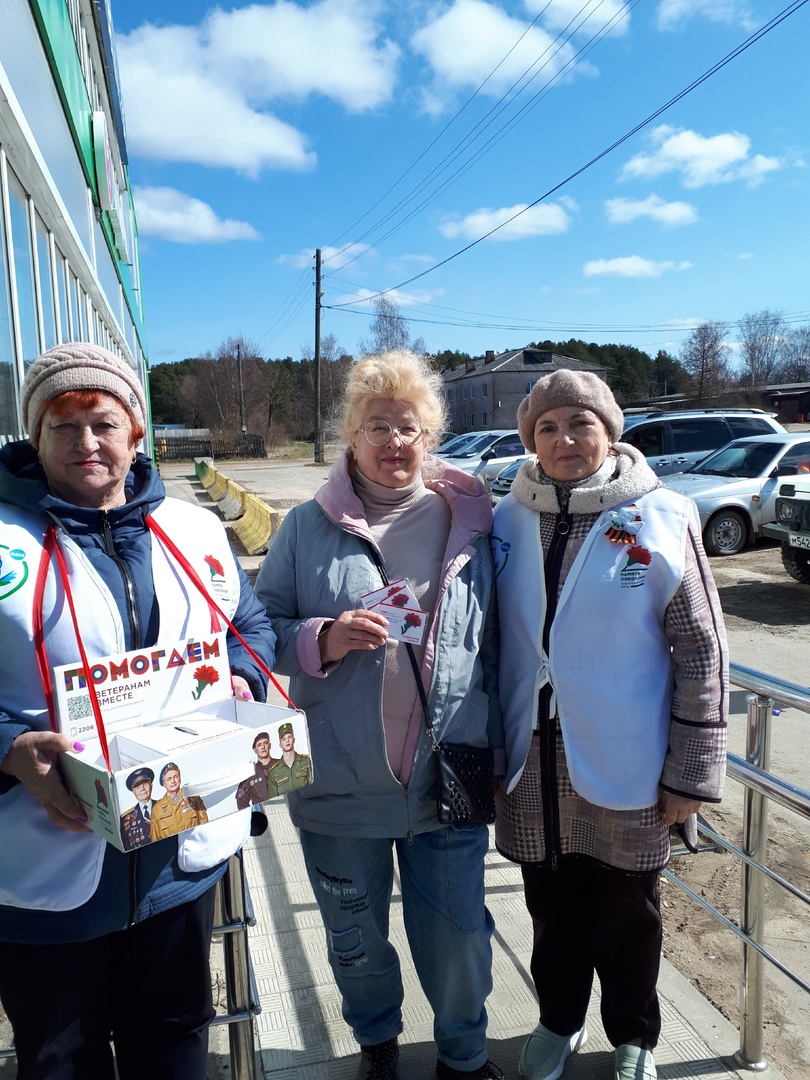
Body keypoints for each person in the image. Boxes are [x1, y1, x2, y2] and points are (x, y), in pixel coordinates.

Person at [0, 343, 276, 1080]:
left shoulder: (190, 528)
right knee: (60, 1058)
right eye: (63, 425)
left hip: (176, 859)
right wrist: (10, 749)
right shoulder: (4, 540)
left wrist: (243, 678)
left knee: (177, 1040)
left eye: (104, 423)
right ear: (35, 437)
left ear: (135, 432)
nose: (86, 442)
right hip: (45, 874)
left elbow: (247, 625)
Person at [255, 350, 503, 1080]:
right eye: (377, 427)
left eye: (408, 428)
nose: (394, 442)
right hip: (338, 782)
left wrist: (505, 746)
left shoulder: (472, 523)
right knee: (355, 938)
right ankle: (378, 1046)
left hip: (449, 776)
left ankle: (464, 1057)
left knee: (460, 936)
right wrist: (322, 638)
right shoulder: (305, 527)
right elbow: (258, 626)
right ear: (351, 436)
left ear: (430, 437)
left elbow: (503, 643)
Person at [491, 370, 728, 1080]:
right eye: (548, 427)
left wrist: (690, 773)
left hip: (629, 756)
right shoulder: (506, 518)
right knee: (550, 904)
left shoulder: (663, 516)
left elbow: (702, 650)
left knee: (629, 910)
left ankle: (633, 1036)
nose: (564, 439)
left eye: (580, 423)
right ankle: (559, 1020)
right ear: (531, 440)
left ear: (610, 431)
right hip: (532, 756)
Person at [150, 762, 209, 840]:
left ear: (180, 778)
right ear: (164, 783)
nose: (173, 781)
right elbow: (155, 839)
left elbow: (204, 823)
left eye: (175, 777)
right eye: (169, 779)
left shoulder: (193, 798)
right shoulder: (157, 809)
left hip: (194, 844)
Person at [235, 729, 279, 808]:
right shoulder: (250, 773)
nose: (263, 747)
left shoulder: (281, 764)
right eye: (259, 745)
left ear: (270, 745)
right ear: (255, 750)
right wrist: (255, 813)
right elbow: (241, 802)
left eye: (265, 743)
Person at [266, 721, 312, 794]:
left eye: (289, 737)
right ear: (280, 744)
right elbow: (274, 798)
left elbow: (315, 786)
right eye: (283, 739)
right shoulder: (274, 772)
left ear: (294, 740)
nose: (287, 741)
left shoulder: (306, 761)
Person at [120, 766, 156, 851]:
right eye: (138, 787)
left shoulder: (164, 807)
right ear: (133, 792)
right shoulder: (125, 819)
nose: (142, 789)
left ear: (151, 786)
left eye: (145, 784)